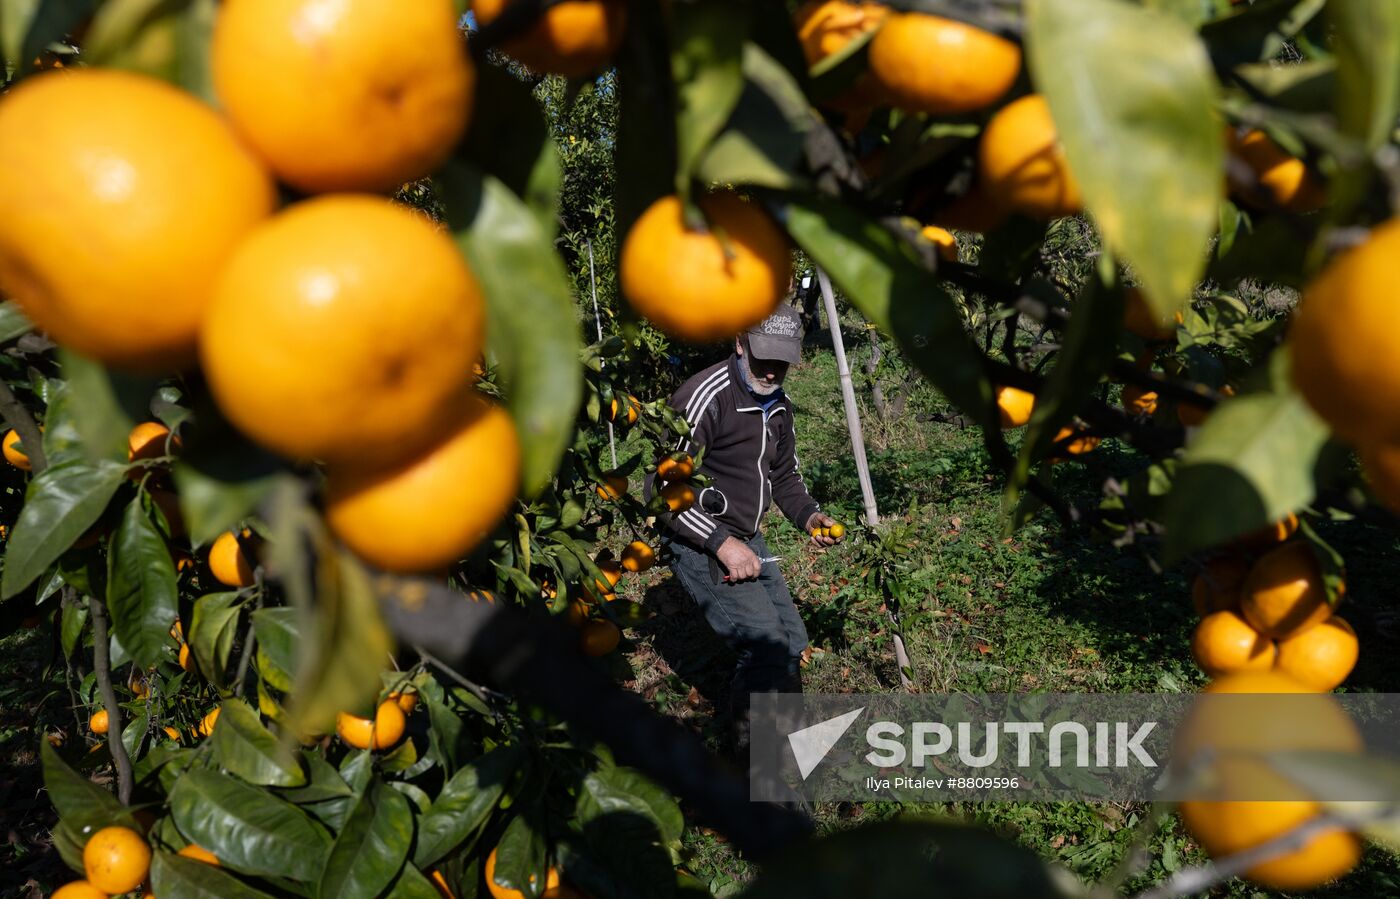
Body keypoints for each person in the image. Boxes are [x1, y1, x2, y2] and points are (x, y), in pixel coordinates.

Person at [649, 304, 843, 752]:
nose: (772, 372)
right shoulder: (705, 397)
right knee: (764, 647)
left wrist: (810, 516)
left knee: (792, 642)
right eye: (763, 359)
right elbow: (662, 490)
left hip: (747, 537)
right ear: (740, 343)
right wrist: (721, 543)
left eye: (782, 362)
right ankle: (754, 759)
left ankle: (784, 741)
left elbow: (785, 477)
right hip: (698, 539)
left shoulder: (779, 407)